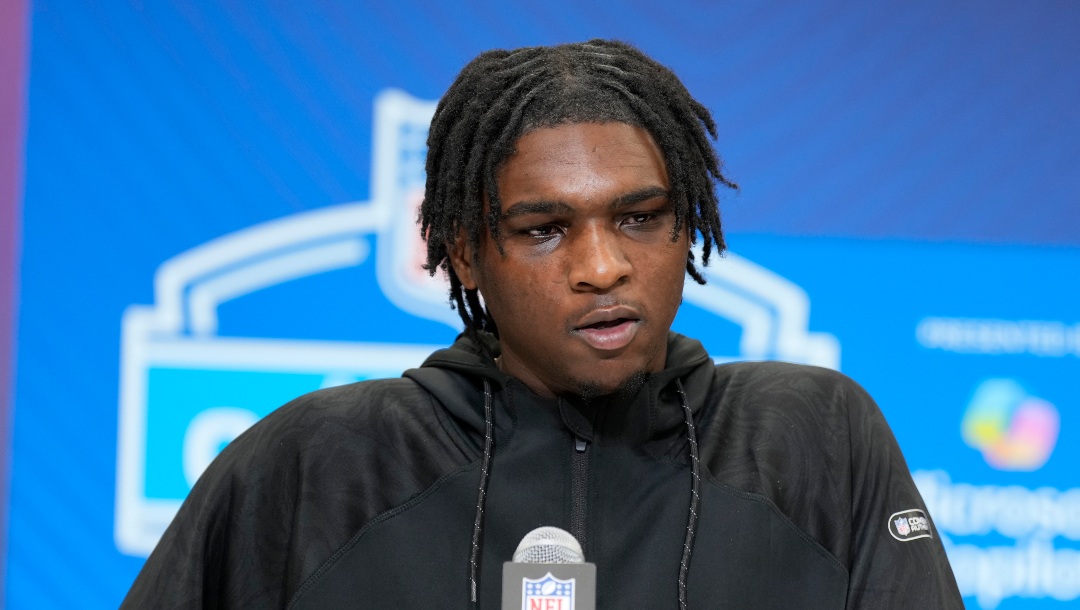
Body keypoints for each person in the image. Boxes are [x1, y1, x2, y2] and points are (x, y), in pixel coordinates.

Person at [122, 40, 963, 609]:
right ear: (465, 253)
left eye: (639, 218)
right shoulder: (319, 461)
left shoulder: (812, 436)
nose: (602, 266)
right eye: (544, 230)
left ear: (687, 228)